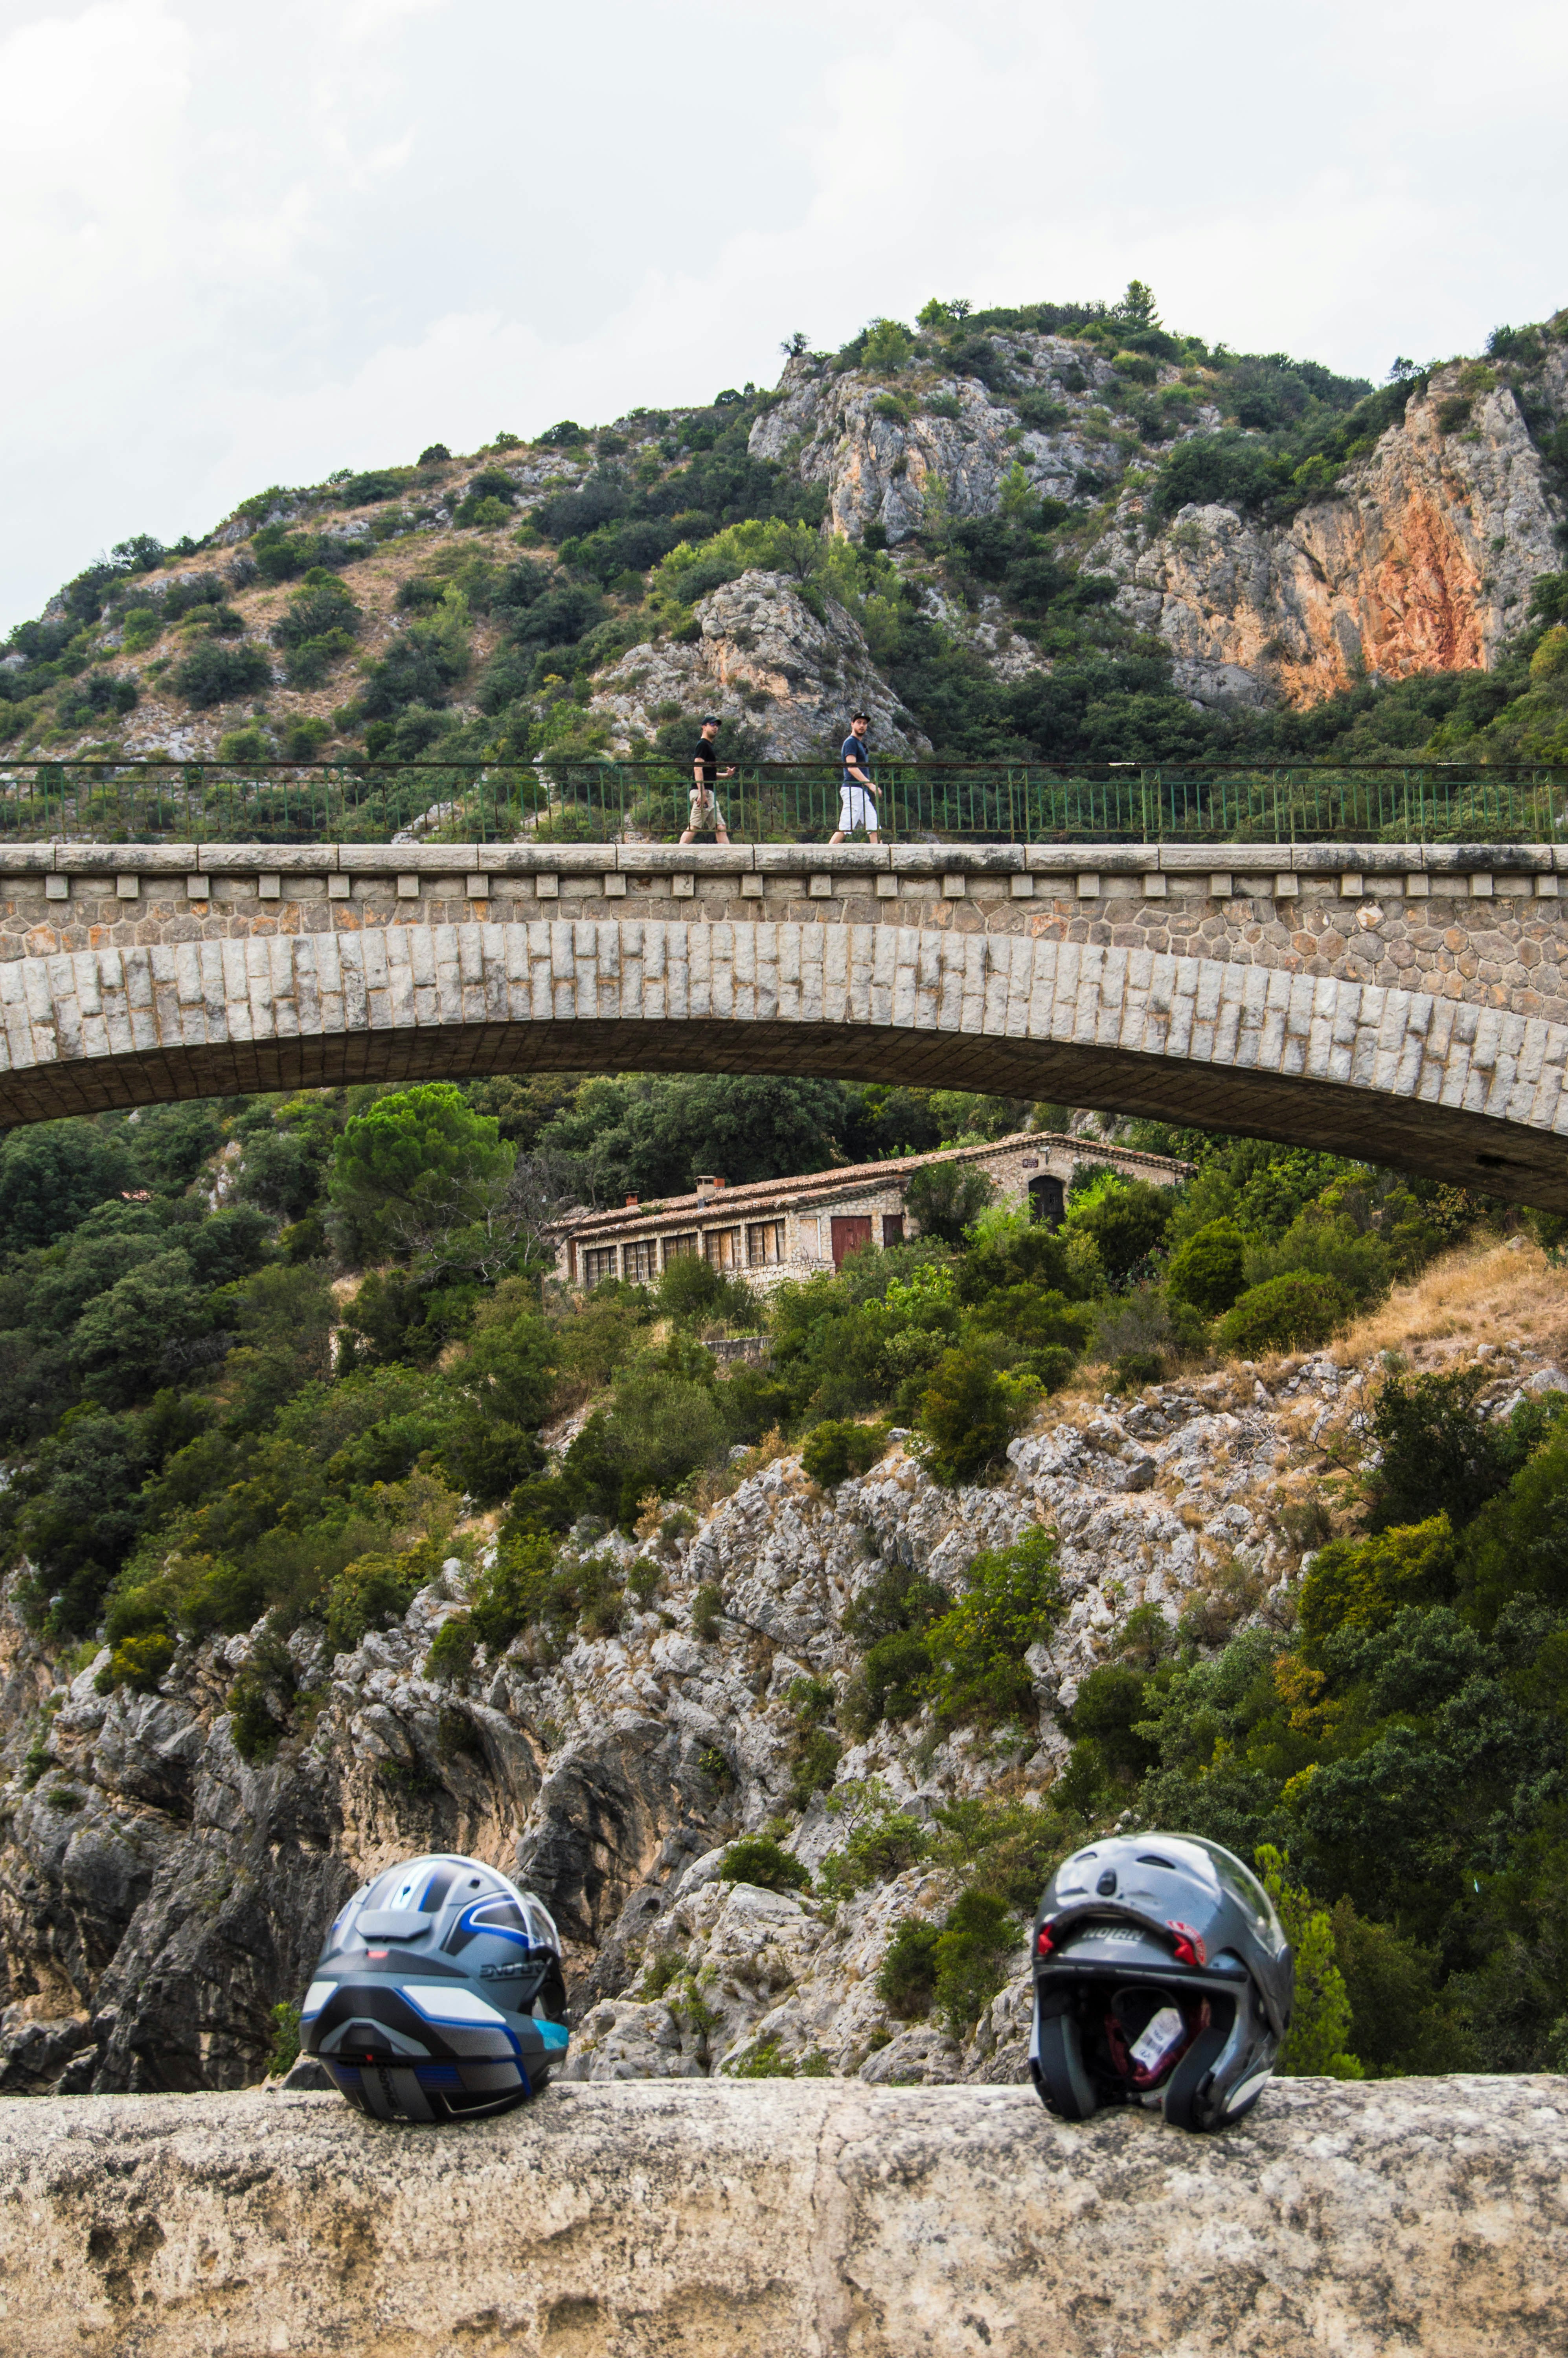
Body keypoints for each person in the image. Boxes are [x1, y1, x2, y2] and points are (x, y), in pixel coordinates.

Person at [681, 717, 734, 845]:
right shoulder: (703, 744)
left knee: (720, 827)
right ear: (704, 727)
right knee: (694, 826)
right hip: (704, 793)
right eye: (712, 725)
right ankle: (678, 853)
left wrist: (727, 775)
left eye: (717, 725)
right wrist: (702, 792)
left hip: (708, 793)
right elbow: (697, 768)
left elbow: (709, 775)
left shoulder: (708, 745)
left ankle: (730, 856)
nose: (715, 727)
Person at [831, 712, 879, 842]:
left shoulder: (860, 744)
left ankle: (881, 859)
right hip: (853, 790)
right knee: (845, 828)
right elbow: (851, 767)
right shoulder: (851, 743)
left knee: (874, 827)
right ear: (852, 724)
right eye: (859, 723)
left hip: (860, 791)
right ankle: (825, 857)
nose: (862, 726)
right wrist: (871, 785)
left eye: (865, 723)